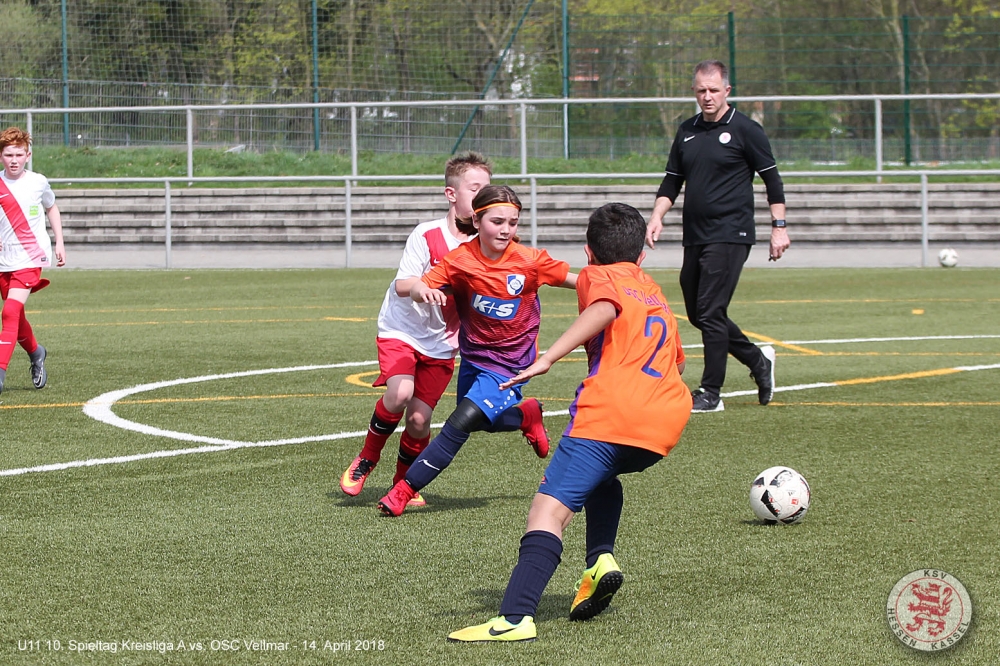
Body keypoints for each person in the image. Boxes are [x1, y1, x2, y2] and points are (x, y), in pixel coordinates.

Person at [447, 202, 691, 642]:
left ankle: (515, 617)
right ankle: (600, 560)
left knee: (547, 512)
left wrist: (548, 357)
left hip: (611, 413)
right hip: (665, 419)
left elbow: (605, 307)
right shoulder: (652, 288)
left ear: (588, 252)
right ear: (641, 256)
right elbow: (678, 362)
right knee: (601, 476)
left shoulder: (598, 275)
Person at [376, 185, 578, 517]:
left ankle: (403, 490)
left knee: (460, 422)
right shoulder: (460, 260)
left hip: (511, 364)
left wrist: (612, 286)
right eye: (497, 222)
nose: (506, 230)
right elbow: (420, 284)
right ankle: (526, 416)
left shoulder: (529, 261)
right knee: (481, 421)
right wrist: (423, 291)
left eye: (512, 223)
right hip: (474, 357)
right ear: (476, 220)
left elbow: (577, 280)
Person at [339, 152, 492, 508]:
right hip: (402, 329)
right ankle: (366, 459)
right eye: (475, 188)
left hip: (441, 342)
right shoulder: (427, 234)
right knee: (400, 393)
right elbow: (402, 284)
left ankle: (402, 484)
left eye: (487, 189)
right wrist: (421, 288)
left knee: (420, 420)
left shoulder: (486, 247)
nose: (483, 195)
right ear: (451, 194)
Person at [645, 59, 790, 413]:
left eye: (713, 90)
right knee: (699, 314)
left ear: (727, 90)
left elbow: (772, 181)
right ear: (694, 92)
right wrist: (656, 216)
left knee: (711, 311)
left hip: (731, 232)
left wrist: (779, 228)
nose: (707, 97)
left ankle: (711, 392)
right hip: (695, 235)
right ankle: (757, 360)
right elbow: (672, 181)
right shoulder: (687, 131)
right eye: (701, 91)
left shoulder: (746, 130)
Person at [0, 127, 65, 396]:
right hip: (4, 260)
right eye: (8, 155)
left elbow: (51, 207)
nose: (14, 160)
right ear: (1, 156)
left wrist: (59, 242)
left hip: (30, 257)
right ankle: (37, 353)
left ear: (28, 155)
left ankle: (0, 373)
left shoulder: (38, 182)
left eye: (19, 154)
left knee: (9, 313)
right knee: (17, 319)